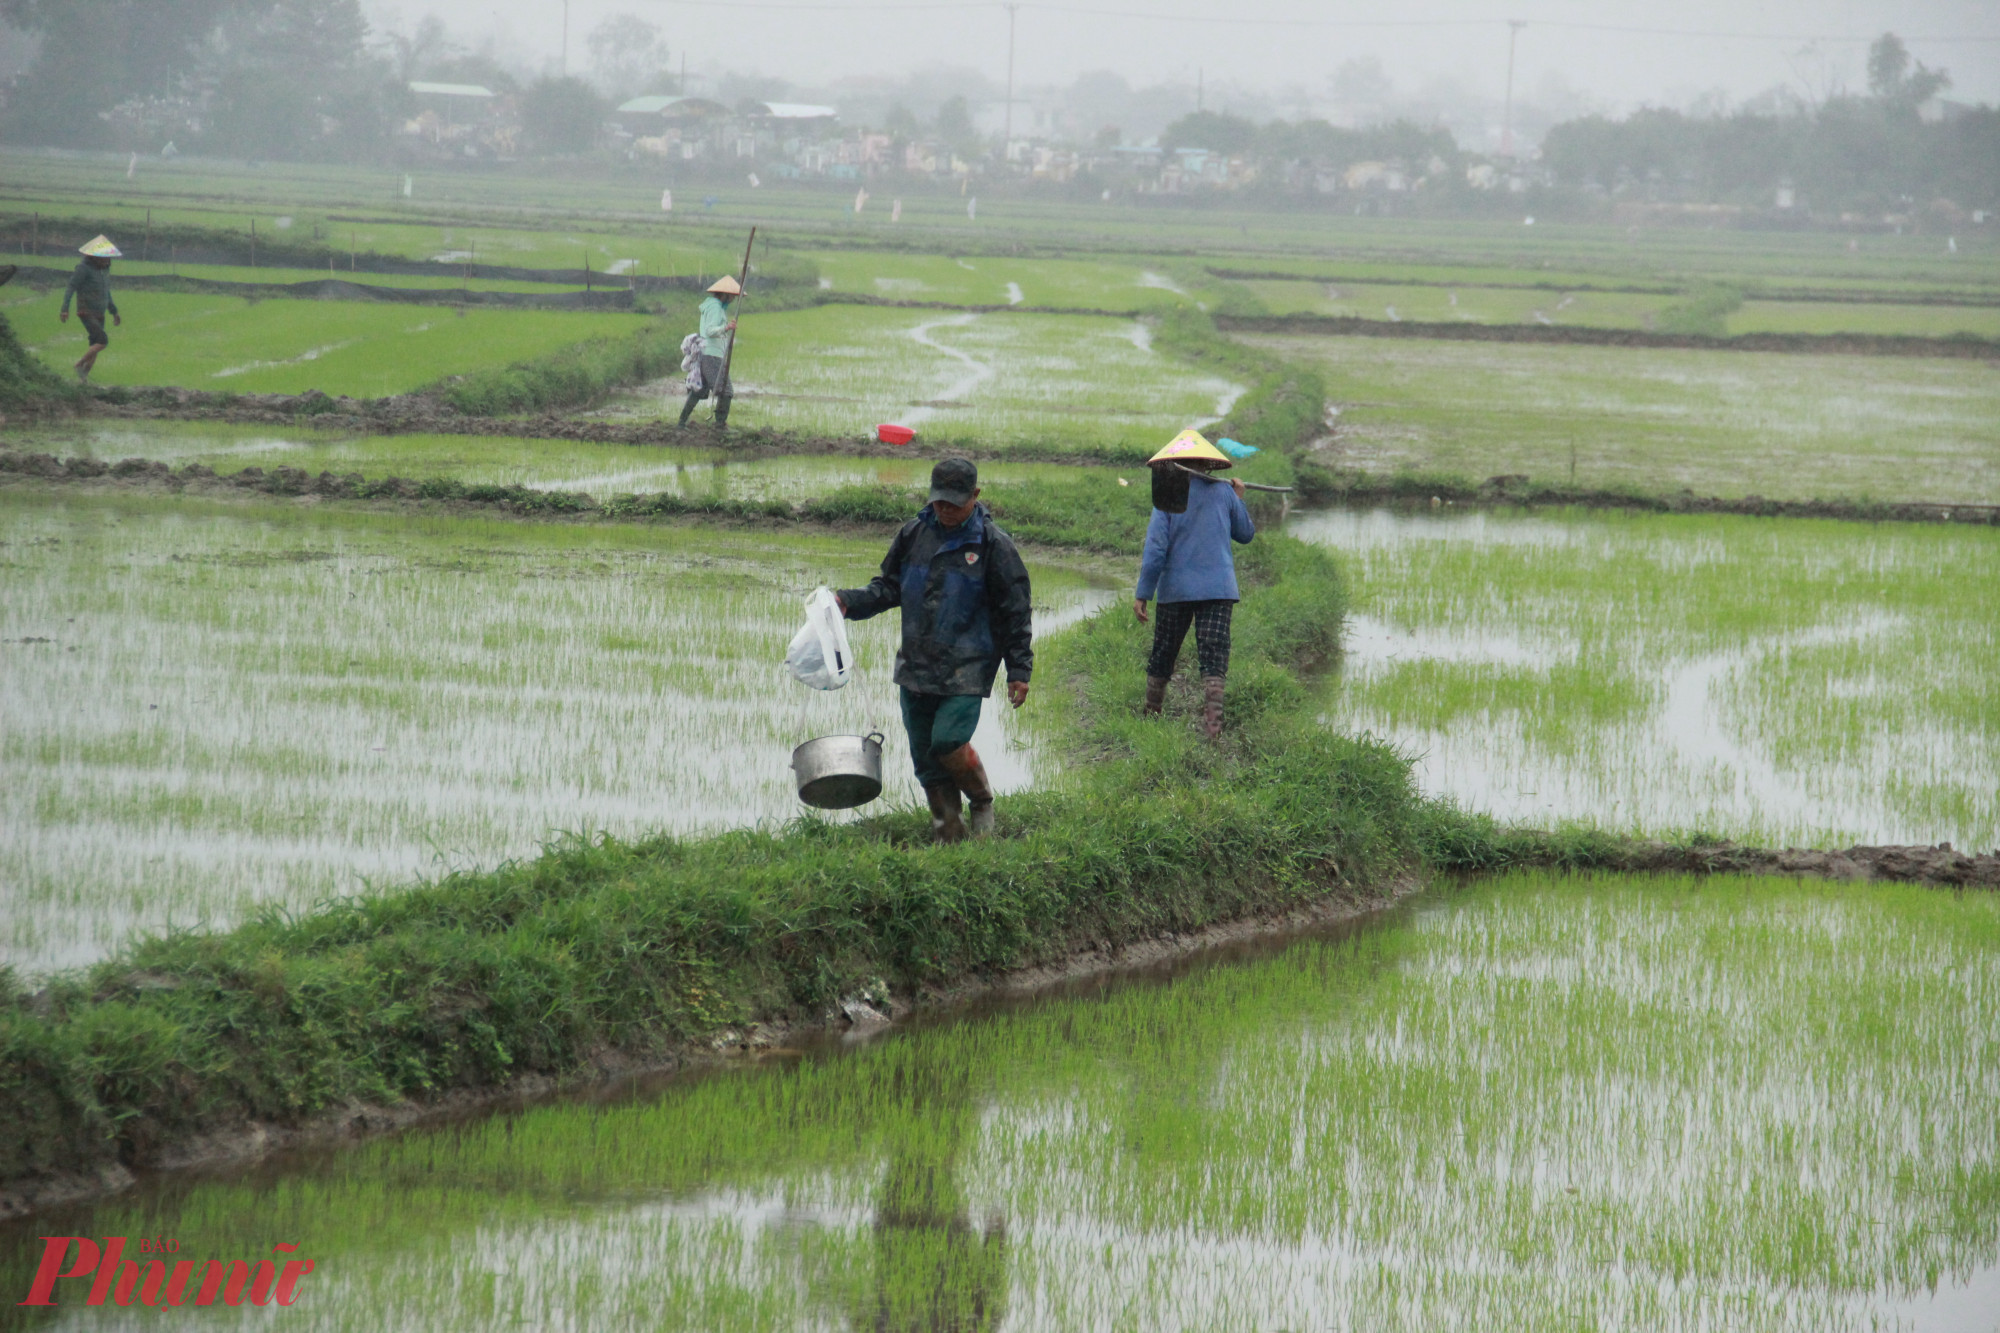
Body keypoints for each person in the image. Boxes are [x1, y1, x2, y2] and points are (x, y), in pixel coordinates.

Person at [837, 458, 1033, 842]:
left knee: (947, 741)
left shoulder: (993, 545)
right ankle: (950, 836)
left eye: (954, 503)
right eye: (939, 501)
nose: (944, 510)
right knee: (926, 759)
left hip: (967, 667)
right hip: (916, 666)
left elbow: (1015, 611)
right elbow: (888, 588)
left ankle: (981, 801)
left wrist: (1019, 670)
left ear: (975, 496)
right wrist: (847, 602)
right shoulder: (913, 534)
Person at [1133, 429, 1255, 740]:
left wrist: (1143, 592)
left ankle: (1151, 713)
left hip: (1177, 590)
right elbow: (1246, 533)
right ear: (1206, 463)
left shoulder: (1167, 497)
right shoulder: (1224, 492)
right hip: (1219, 589)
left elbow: (1156, 549)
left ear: (1175, 465)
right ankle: (1213, 728)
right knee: (1214, 656)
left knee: (1164, 651)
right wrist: (1238, 500)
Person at [678, 274, 740, 429]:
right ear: (724, 295)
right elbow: (710, 330)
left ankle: (681, 423)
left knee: (700, 390)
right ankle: (720, 426)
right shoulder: (715, 307)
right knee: (726, 391)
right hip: (712, 355)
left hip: (709, 353)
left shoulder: (713, 306)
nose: (732, 299)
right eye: (731, 296)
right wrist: (727, 328)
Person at [60, 236, 123, 383]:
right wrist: (65, 308)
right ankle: (79, 364)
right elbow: (71, 287)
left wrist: (114, 311)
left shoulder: (103, 272)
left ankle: (83, 380)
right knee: (102, 341)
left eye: (109, 258)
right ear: (95, 257)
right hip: (86, 311)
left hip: (100, 312)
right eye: (105, 258)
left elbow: (106, 293)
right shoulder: (83, 269)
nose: (108, 261)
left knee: (94, 347)